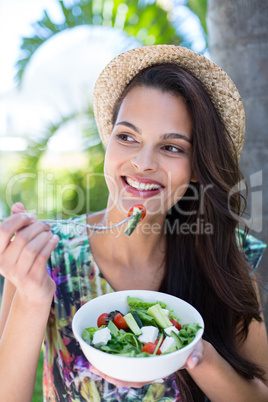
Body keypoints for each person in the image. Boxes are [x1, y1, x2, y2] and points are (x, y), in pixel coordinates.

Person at [0, 45, 267, 402]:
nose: (142, 163)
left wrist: (194, 355)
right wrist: (33, 299)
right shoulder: (48, 256)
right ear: (109, 141)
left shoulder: (223, 251)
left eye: (171, 147)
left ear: (197, 166)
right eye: (127, 137)